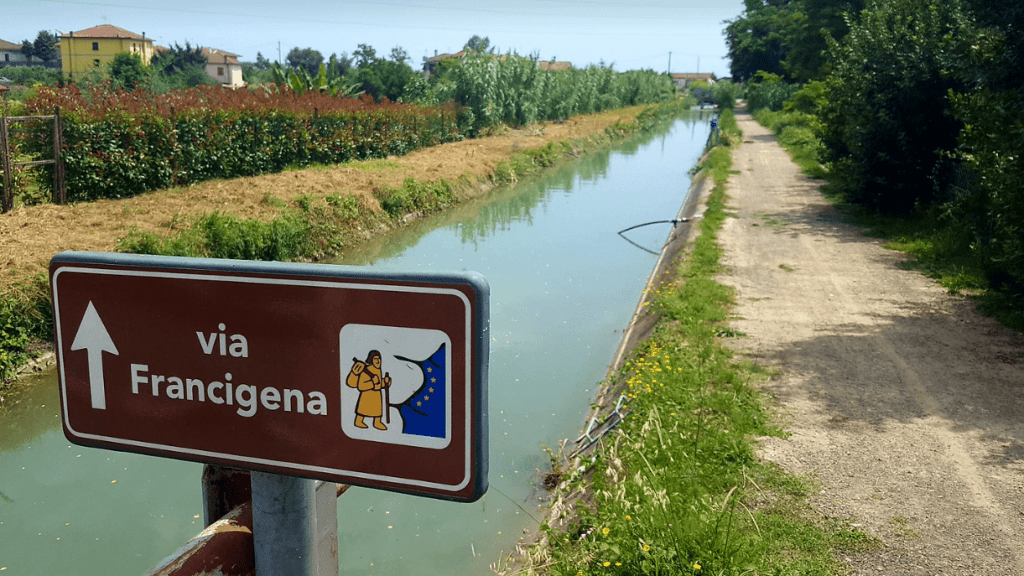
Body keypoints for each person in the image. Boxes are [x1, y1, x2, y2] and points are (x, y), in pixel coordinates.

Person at [347, 350, 391, 430]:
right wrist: (372, 383)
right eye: (375, 359)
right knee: (363, 410)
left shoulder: (378, 370)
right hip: (367, 396)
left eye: (379, 359)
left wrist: (386, 382)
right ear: (371, 360)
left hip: (377, 396)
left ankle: (377, 422)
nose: (378, 361)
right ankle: (358, 421)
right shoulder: (366, 370)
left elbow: (379, 382)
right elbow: (361, 386)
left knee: (377, 411)